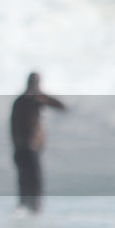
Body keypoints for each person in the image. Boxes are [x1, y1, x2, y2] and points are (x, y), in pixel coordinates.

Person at [10, 72, 66, 214]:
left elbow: (11, 126)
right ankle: (34, 210)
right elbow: (61, 106)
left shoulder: (19, 101)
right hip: (31, 148)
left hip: (19, 148)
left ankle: (23, 207)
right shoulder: (35, 99)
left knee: (23, 180)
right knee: (35, 181)